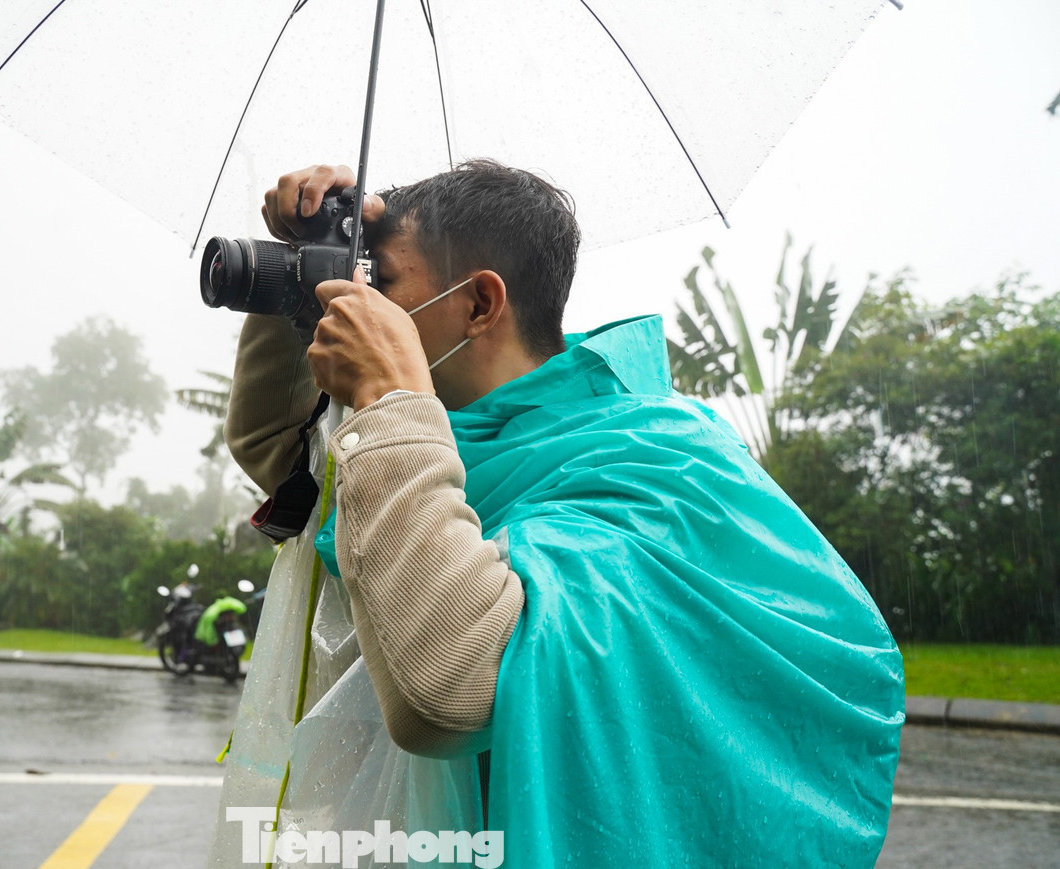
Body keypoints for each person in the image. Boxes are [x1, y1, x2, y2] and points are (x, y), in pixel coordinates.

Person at [207, 161, 905, 868]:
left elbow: (451, 687)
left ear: (478, 303)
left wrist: (393, 397)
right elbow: (281, 447)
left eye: (378, 280)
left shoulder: (644, 462)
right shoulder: (441, 436)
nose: (352, 301)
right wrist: (301, 277)